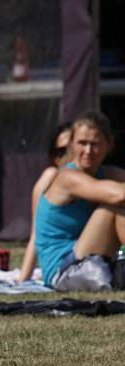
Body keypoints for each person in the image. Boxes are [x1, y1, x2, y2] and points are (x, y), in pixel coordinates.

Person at [34, 111, 125, 291]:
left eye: (95, 144)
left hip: (88, 260)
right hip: (62, 271)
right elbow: (119, 195)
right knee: (113, 208)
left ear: (109, 145)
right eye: (82, 143)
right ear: (72, 145)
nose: (88, 151)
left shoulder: (106, 173)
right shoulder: (68, 177)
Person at [17, 122, 73, 282]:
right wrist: (23, 279)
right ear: (53, 156)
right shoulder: (50, 176)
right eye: (61, 151)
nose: (67, 156)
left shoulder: (96, 176)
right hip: (63, 263)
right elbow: (37, 232)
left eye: (71, 149)